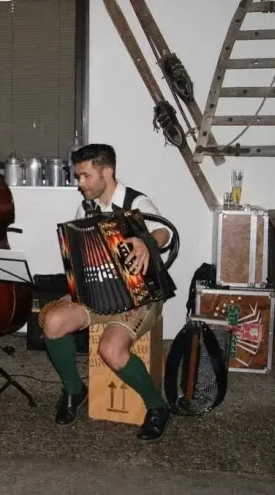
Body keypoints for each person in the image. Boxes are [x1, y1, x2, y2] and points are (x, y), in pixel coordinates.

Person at [40, 143, 172, 442]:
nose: (80, 183)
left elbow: (165, 232)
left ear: (107, 173)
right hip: (98, 291)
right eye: (78, 176)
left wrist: (146, 241)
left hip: (140, 293)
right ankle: (74, 390)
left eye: (85, 176)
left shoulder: (136, 202)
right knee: (52, 321)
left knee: (110, 350)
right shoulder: (85, 208)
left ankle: (157, 407)